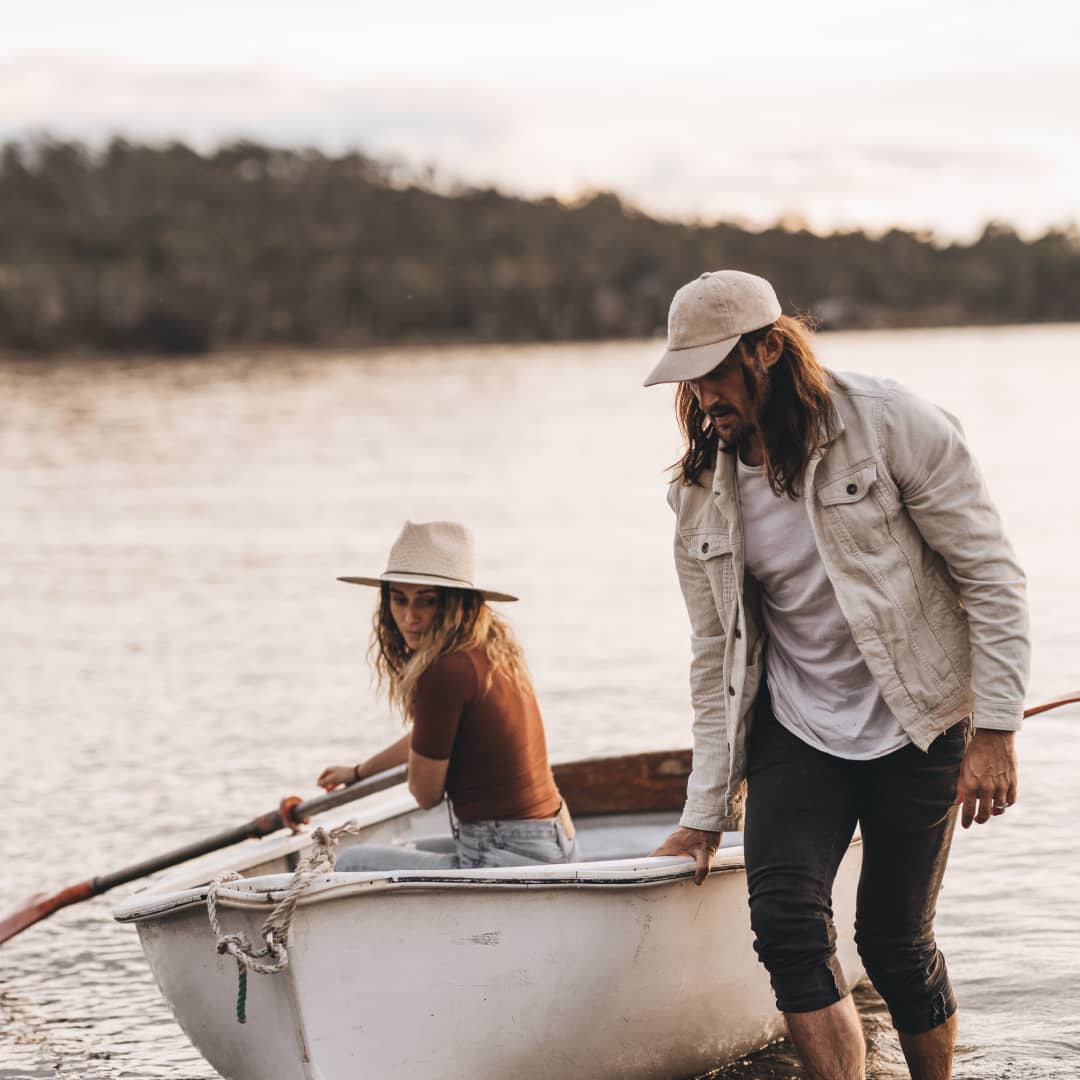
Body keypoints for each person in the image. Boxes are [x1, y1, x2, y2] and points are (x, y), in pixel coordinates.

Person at [645, 271, 1029, 1080]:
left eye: (718, 370)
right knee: (786, 929)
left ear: (771, 350)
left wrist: (995, 729)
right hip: (796, 730)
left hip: (918, 719)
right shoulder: (696, 494)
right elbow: (713, 656)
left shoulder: (890, 424)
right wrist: (705, 810)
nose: (703, 393)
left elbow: (990, 575)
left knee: (893, 940)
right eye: (691, 375)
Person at [318, 519, 578, 870]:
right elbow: (431, 737)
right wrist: (359, 771)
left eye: (427, 602)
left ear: (455, 604)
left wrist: (429, 768)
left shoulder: (444, 671)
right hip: (551, 838)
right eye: (399, 600)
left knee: (351, 863)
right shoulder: (490, 650)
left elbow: (425, 795)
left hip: (506, 851)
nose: (410, 618)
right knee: (403, 845)